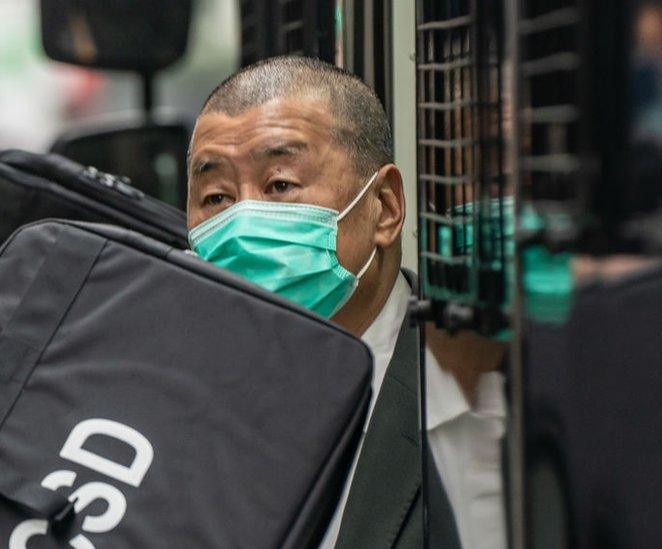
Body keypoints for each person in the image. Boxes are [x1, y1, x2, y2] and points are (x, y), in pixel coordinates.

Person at [186, 56, 507, 549]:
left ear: (385, 208)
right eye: (216, 198)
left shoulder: (478, 387)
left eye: (280, 185)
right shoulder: (172, 393)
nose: (243, 221)